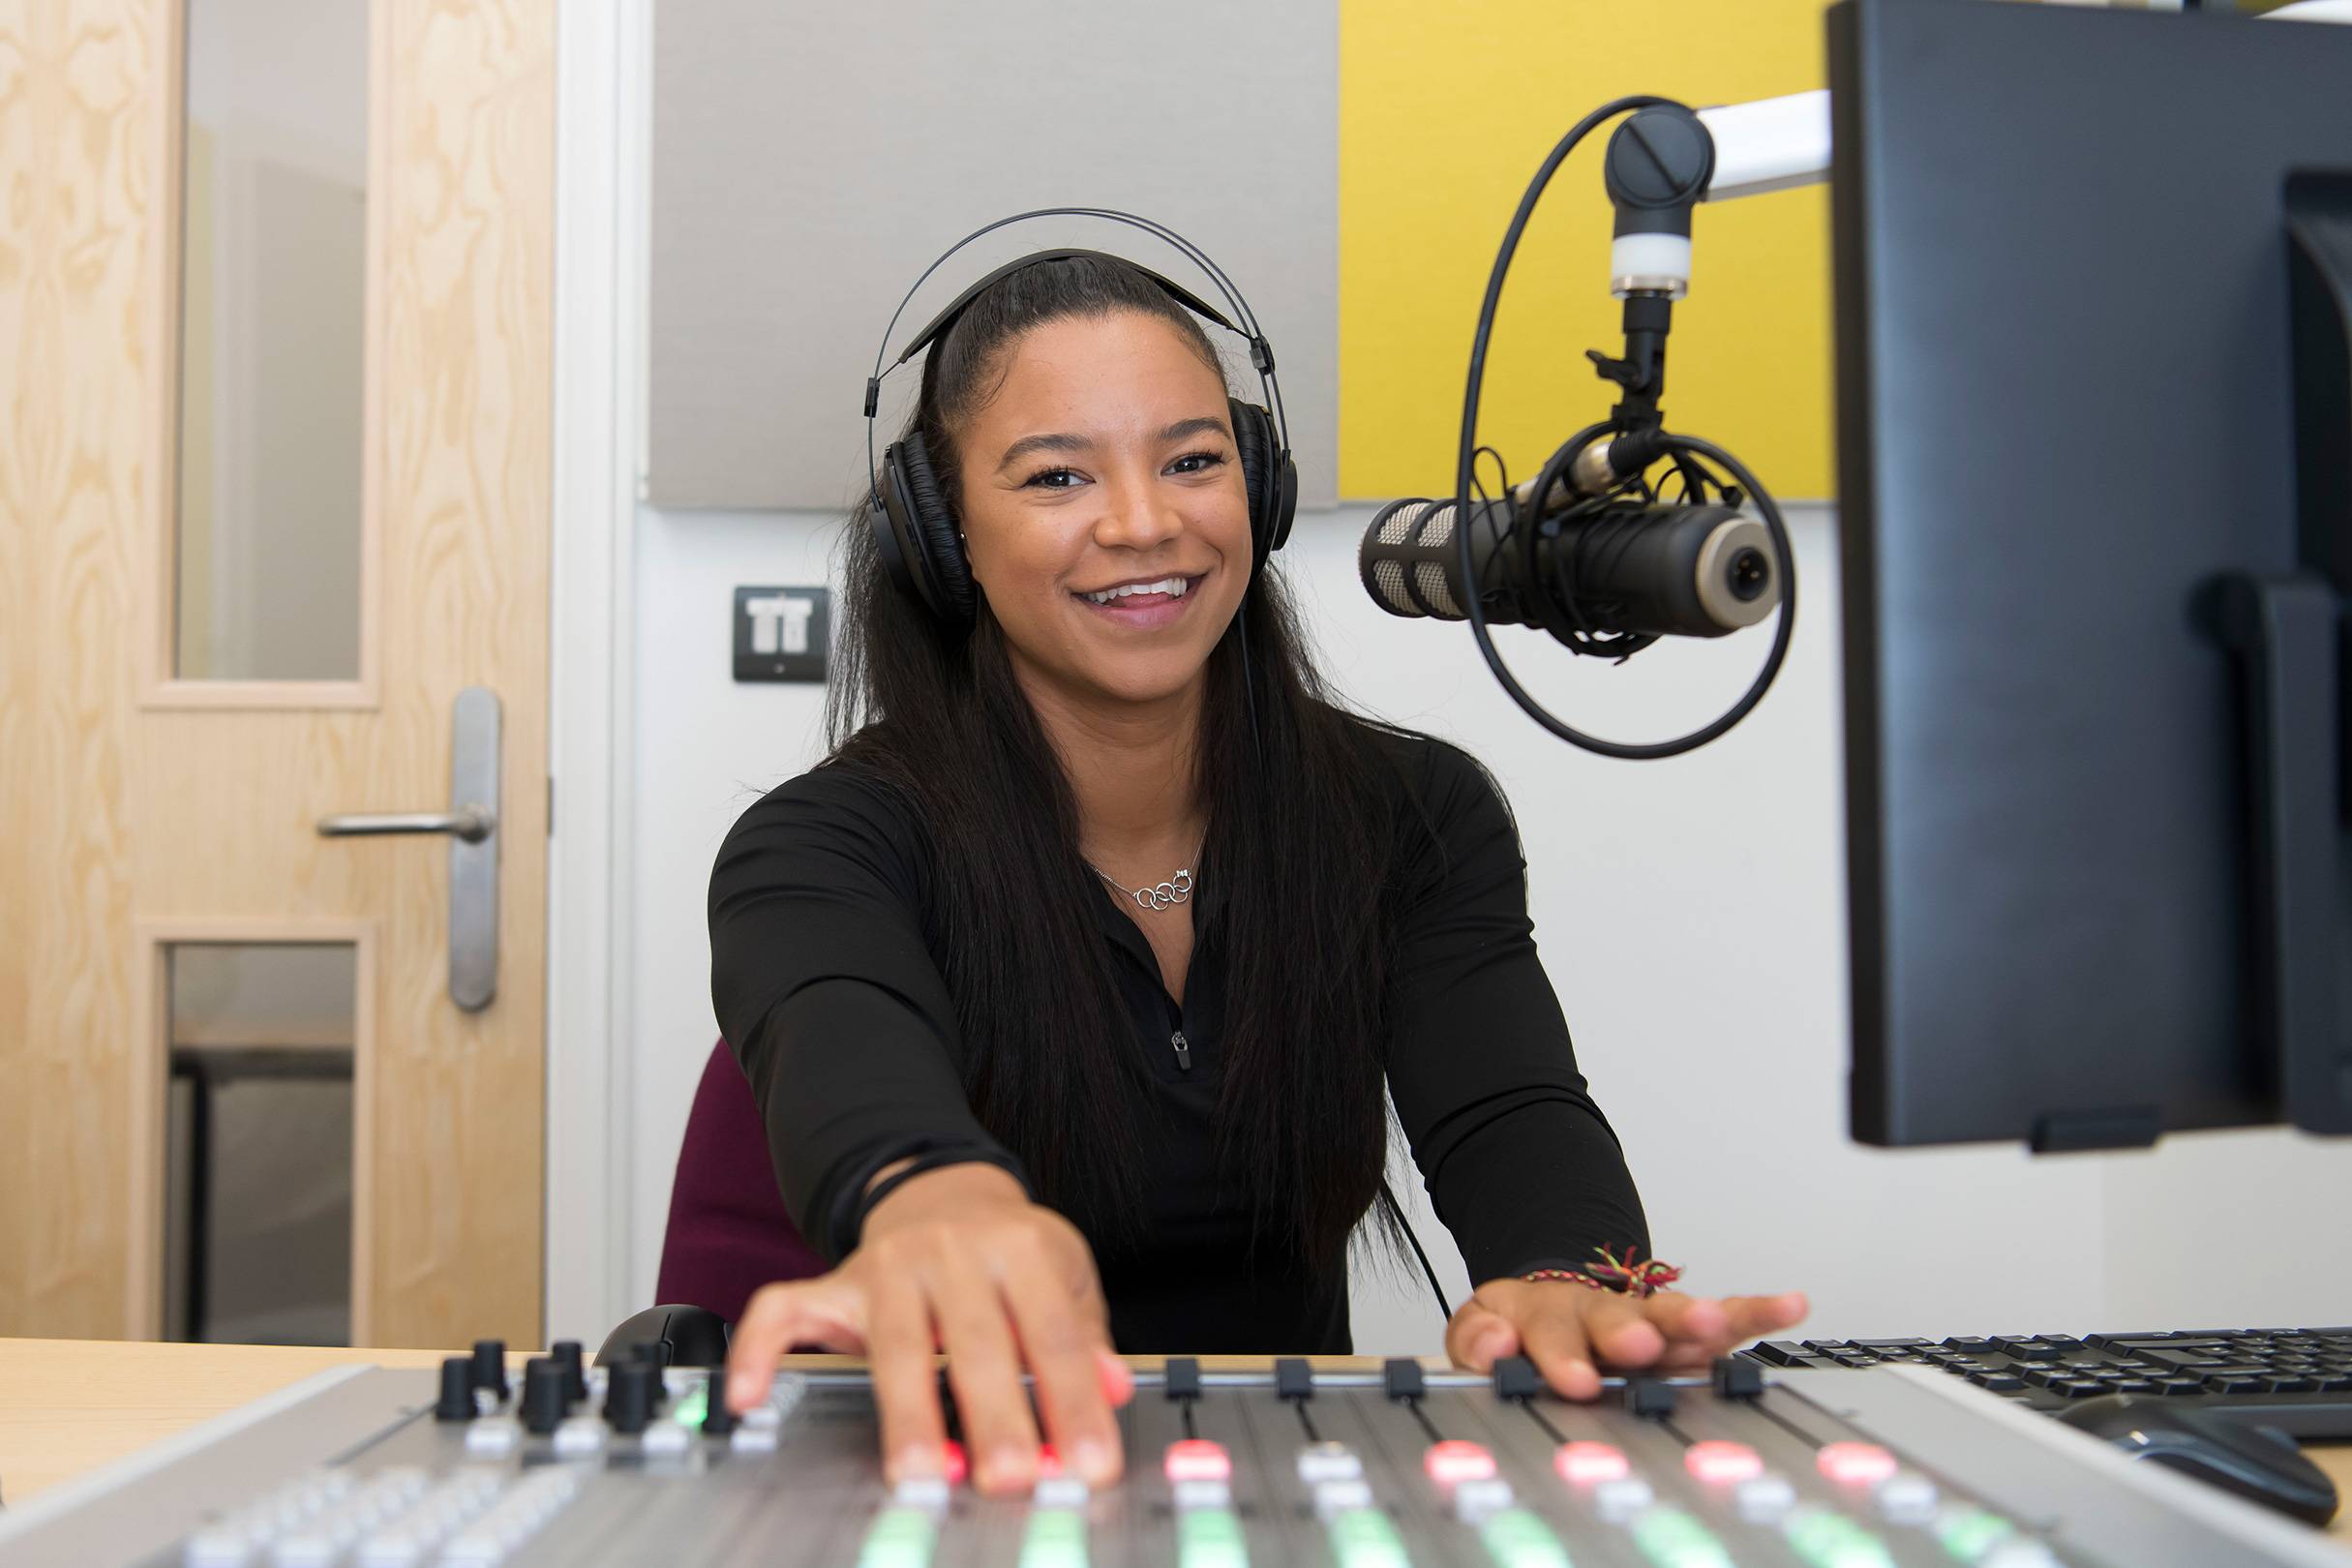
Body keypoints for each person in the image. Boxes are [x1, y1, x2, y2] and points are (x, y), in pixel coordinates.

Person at [708, 249, 1806, 1495]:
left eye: (1192, 459)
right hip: (968, 1487)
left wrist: (1567, 1286)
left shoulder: (1411, 815)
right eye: (1058, 475)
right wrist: (930, 1198)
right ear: (942, 528)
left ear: (1260, 488)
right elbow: (841, 1038)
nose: (1144, 522)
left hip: (1285, 1491)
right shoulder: (821, 847)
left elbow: (1510, 1114)